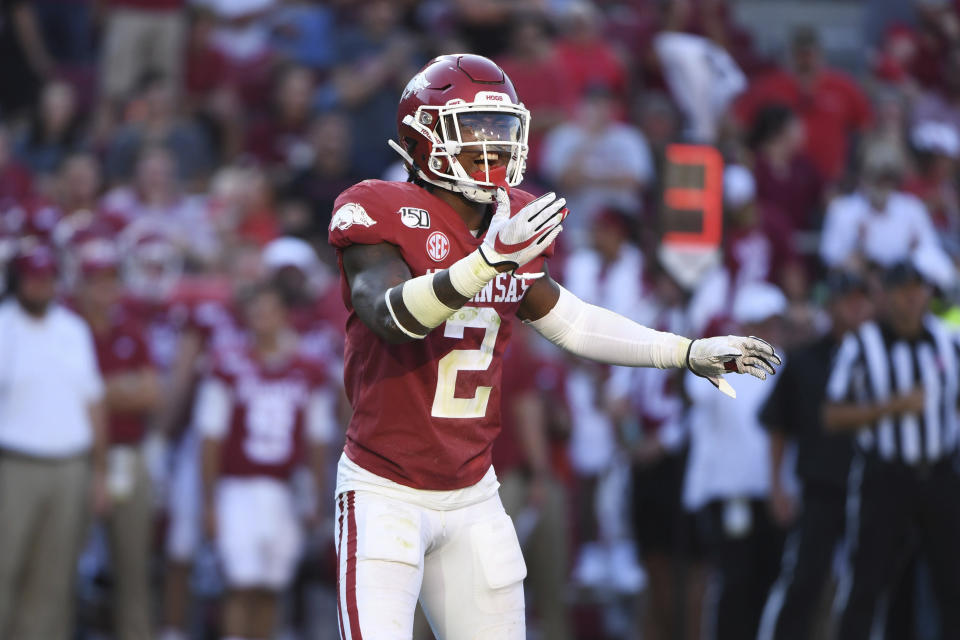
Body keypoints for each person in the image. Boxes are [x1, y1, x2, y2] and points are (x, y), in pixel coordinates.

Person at [327, 53, 781, 639]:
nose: (494, 148)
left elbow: (572, 322)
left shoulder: (510, 218)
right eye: (475, 131)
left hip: (473, 495)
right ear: (423, 139)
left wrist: (684, 351)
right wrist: (487, 262)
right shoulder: (378, 207)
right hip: (384, 491)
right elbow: (391, 317)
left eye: (502, 131)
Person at [825, 260, 960, 640]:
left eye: (920, 289)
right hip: (886, 476)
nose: (913, 297)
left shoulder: (949, 341)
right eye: (903, 289)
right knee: (867, 581)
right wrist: (891, 407)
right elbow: (832, 414)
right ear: (886, 294)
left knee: (952, 583)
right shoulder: (862, 344)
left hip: (940, 474)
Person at [197, 282, 334, 640]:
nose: (264, 319)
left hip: (285, 489)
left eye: (270, 310)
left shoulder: (309, 368)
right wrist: (209, 501)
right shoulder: (227, 366)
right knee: (241, 582)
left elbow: (316, 441)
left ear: (285, 315)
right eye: (257, 311)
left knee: (272, 586)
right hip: (238, 487)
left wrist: (316, 496)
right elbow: (210, 438)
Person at [757, 270, 873, 640]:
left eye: (862, 298)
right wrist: (777, 486)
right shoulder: (807, 360)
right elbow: (778, 426)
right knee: (805, 578)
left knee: (870, 579)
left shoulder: (881, 354)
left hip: (874, 487)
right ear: (831, 305)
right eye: (847, 298)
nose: (856, 307)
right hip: (820, 485)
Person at [0, 243, 107, 640]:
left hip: (68, 466)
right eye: (34, 280)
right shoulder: (4, 326)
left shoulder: (73, 329)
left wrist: (99, 471)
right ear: (18, 281)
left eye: (48, 279)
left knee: (55, 576)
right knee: (5, 567)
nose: (42, 287)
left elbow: (93, 402)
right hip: (14, 465)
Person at [682, 282, 788, 640]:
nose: (771, 330)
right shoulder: (721, 364)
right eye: (764, 322)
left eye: (776, 322)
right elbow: (694, 390)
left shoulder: (784, 365)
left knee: (768, 580)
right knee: (734, 584)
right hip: (730, 495)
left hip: (772, 494)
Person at [74, 234, 161, 640]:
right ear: (81, 284)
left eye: (111, 280)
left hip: (127, 453)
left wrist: (96, 390)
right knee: (57, 565)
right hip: (73, 456)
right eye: (96, 280)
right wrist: (115, 389)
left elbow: (150, 392)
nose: (105, 289)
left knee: (133, 568)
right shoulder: (67, 326)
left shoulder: (130, 326)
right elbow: (65, 397)